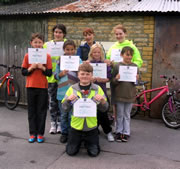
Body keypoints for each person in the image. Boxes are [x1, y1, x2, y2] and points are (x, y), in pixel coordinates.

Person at [62, 63, 109, 157]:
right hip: (76, 126)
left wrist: (103, 101)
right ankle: (78, 141)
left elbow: (104, 109)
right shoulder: (72, 89)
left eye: (88, 74)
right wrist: (68, 100)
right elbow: (65, 108)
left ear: (92, 75)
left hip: (91, 127)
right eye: (82, 74)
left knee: (94, 153)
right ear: (78, 75)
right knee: (71, 152)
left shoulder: (97, 89)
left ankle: (88, 142)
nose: (85, 76)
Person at [106, 24, 143, 130]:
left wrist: (130, 69)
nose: (118, 36)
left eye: (120, 34)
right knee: (115, 102)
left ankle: (124, 129)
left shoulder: (132, 47)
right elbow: (108, 60)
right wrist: (109, 63)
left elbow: (138, 61)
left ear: (125, 34)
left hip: (127, 77)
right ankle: (117, 126)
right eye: (116, 34)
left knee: (123, 105)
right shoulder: (113, 47)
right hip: (116, 77)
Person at [21, 33, 52, 143]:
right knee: (31, 111)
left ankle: (40, 134)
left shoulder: (47, 56)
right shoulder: (27, 56)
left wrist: (42, 67)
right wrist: (32, 68)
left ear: (43, 43)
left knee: (41, 111)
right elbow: (23, 72)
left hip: (42, 87)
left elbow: (49, 73)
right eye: (35, 42)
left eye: (39, 42)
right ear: (31, 43)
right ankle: (32, 133)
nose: (37, 44)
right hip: (30, 86)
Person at [54, 40, 82, 143]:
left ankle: (71, 133)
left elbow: (82, 76)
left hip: (74, 92)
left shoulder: (79, 61)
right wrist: (61, 74)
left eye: (72, 49)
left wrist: (78, 70)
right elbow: (55, 76)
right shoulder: (60, 60)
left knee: (72, 115)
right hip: (62, 92)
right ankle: (64, 133)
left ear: (75, 50)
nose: (70, 51)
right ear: (64, 50)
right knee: (63, 115)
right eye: (67, 49)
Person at [87, 43, 114, 142]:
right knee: (92, 111)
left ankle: (108, 131)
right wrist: (91, 79)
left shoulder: (105, 64)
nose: (96, 54)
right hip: (91, 91)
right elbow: (84, 75)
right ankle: (94, 130)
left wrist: (101, 80)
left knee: (103, 111)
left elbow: (109, 78)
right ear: (91, 53)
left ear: (101, 53)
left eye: (98, 52)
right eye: (94, 52)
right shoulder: (88, 63)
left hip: (101, 90)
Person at [111, 46, 139, 142]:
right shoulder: (117, 66)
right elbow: (113, 82)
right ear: (121, 55)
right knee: (119, 114)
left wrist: (137, 79)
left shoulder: (135, 67)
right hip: (119, 95)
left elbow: (136, 83)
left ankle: (126, 132)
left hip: (130, 95)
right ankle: (119, 132)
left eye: (131, 55)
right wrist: (116, 78)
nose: (129, 57)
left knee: (127, 114)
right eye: (127, 54)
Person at [43, 24, 67, 134]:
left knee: (62, 102)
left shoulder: (67, 44)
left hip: (64, 79)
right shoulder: (47, 45)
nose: (57, 34)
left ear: (64, 34)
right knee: (52, 102)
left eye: (60, 32)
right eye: (56, 32)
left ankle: (61, 124)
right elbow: (43, 60)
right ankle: (53, 123)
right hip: (52, 78)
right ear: (53, 33)